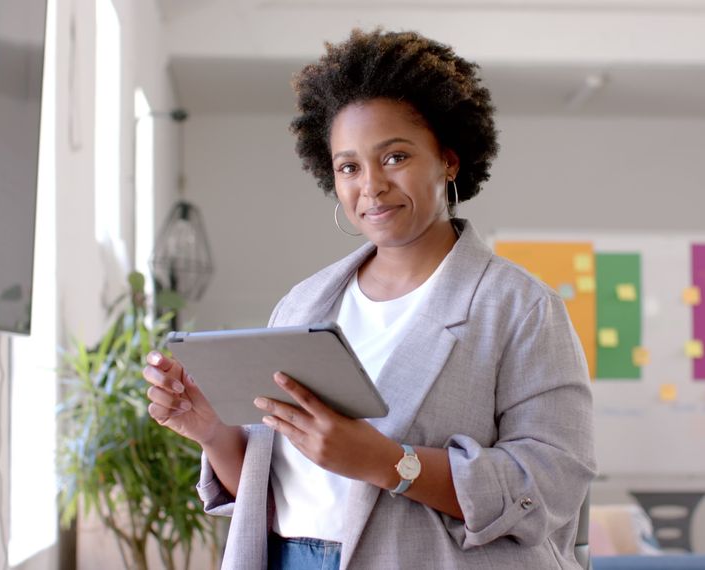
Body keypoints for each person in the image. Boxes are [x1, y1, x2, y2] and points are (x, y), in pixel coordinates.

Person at [142, 28, 596, 569]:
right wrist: (213, 432)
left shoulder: (520, 308)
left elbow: (550, 485)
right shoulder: (303, 304)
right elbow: (282, 493)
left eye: (396, 156)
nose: (371, 186)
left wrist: (391, 464)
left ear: (449, 160)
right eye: (349, 166)